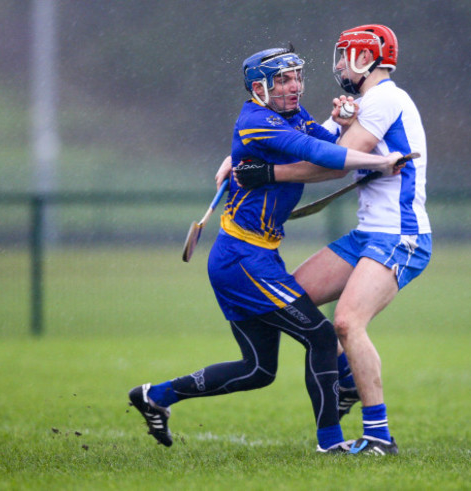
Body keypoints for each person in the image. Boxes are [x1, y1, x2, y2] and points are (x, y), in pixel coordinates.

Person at [128, 45, 405, 454]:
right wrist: (377, 162)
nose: (295, 86)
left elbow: (326, 140)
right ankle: (331, 442)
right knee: (322, 337)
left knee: (258, 370)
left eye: (297, 77)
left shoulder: (291, 115)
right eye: (283, 80)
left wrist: (346, 122)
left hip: (253, 257)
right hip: (243, 260)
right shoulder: (258, 122)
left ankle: (157, 396)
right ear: (259, 87)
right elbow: (317, 154)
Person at [233, 25, 432, 456]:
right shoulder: (363, 103)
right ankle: (347, 380)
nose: (338, 65)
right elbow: (299, 141)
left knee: (345, 322)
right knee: (293, 299)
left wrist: (266, 174)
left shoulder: (384, 100)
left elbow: (333, 162)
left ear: (364, 58)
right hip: (367, 234)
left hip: (400, 234)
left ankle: (379, 436)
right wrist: (236, 155)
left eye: (344, 56)